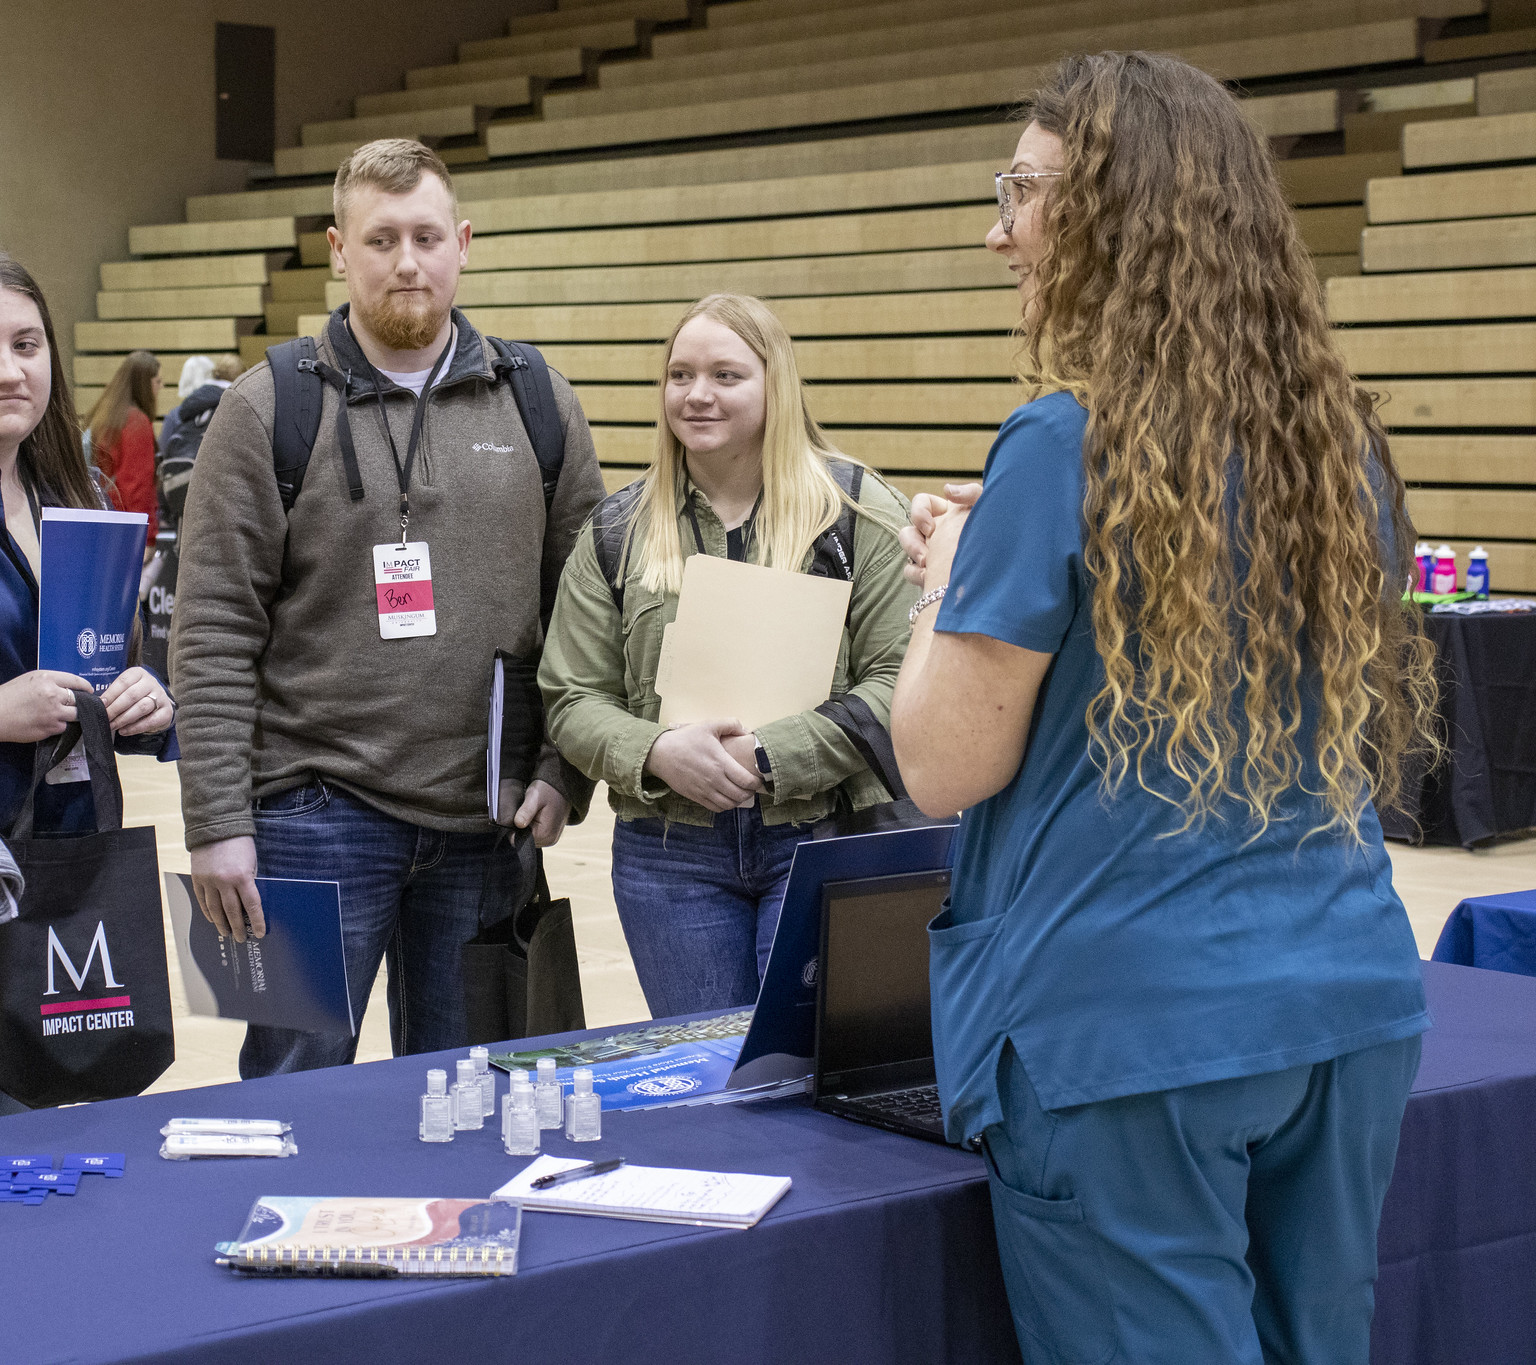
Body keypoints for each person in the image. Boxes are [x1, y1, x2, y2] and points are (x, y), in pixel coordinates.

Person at [891, 53, 1437, 1365]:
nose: (997, 229)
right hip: (1342, 1000)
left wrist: (948, 589)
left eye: (1019, 191)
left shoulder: (1061, 442)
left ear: (1104, 213)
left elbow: (941, 765)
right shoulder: (1334, 444)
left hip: (1130, 1036)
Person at [172, 138, 605, 1077]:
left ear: (464, 244)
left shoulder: (539, 402)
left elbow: (588, 611)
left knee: (471, 1101)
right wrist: (214, 822)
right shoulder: (264, 408)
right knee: (286, 1098)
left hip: (485, 826)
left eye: (426, 236)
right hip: (306, 817)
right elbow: (210, 631)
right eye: (380, 240)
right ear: (338, 250)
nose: (406, 262)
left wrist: (565, 769)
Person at [540, 294, 913, 1016]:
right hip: (669, 855)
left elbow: (900, 680)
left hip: (824, 836)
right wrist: (655, 750)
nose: (697, 395)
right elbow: (572, 696)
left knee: (804, 1077)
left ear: (776, 385)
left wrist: (769, 753)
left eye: (725, 375)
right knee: (708, 1082)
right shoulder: (619, 529)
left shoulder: (858, 514)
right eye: (680, 375)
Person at [0, 244, 176, 1115]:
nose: (8, 370)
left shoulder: (75, 491)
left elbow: (103, 657)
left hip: (70, 859)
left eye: (27, 343)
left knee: (77, 1127)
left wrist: (145, 700)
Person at [82, 349, 161, 543]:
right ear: (144, 384)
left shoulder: (103, 414)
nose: (162, 386)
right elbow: (136, 487)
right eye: (158, 381)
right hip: (124, 530)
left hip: (97, 520)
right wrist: (146, 537)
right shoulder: (135, 421)